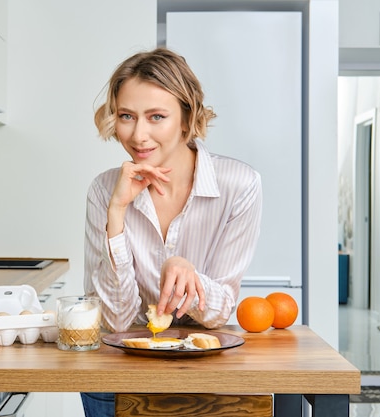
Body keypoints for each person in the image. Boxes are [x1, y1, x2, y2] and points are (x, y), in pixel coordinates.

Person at [82, 47, 263, 417]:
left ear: (186, 118)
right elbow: (115, 321)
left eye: (156, 117)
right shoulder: (104, 191)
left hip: (207, 374)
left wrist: (187, 273)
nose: (138, 135)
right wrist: (116, 212)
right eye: (127, 116)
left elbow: (218, 312)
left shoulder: (239, 185)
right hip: (119, 375)